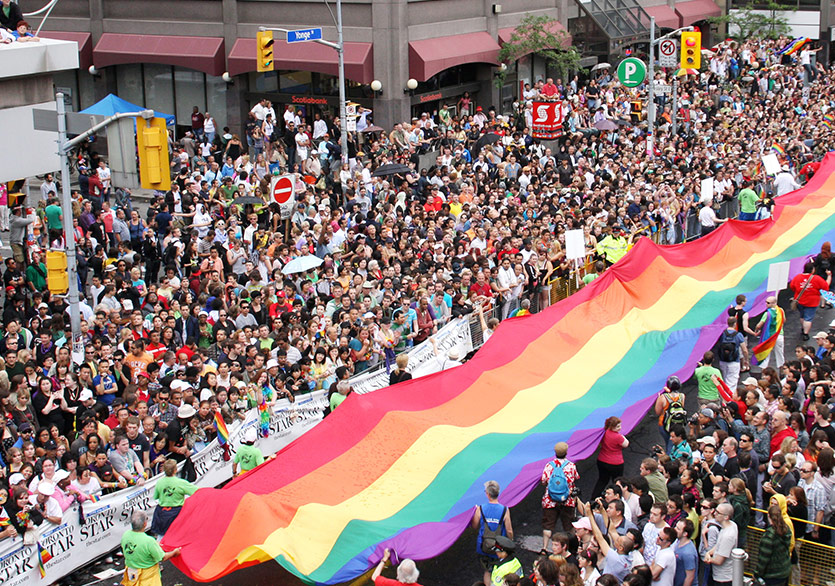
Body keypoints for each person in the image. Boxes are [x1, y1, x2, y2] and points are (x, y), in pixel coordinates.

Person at [121, 510, 181, 586]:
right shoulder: (149, 541)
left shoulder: (126, 535)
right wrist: (174, 552)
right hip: (148, 578)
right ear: (145, 524)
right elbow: (162, 557)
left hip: (132, 575)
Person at [471, 480, 514, 585]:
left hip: (484, 546)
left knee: (487, 571)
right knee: (499, 570)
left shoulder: (480, 509)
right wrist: (511, 542)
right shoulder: (504, 510)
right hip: (499, 547)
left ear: (487, 494)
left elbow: (474, 526)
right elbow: (509, 530)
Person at [540, 442, 579, 553]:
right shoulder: (571, 466)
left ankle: (544, 548)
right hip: (567, 500)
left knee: (548, 525)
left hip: (550, 500)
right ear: (566, 452)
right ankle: (570, 549)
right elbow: (575, 477)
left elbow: (543, 481)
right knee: (568, 525)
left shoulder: (549, 465)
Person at [150, 459, 199, 536]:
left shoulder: (159, 482)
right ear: (175, 470)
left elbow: (156, 496)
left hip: (162, 514)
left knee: (162, 537)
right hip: (177, 514)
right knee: (178, 536)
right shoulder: (181, 483)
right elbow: (197, 491)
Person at [788, 261, 830, 341]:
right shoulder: (816, 278)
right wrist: (829, 276)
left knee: (802, 316)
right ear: (812, 270)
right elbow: (825, 287)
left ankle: (803, 328)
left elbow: (792, 287)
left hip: (799, 300)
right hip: (812, 302)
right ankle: (805, 333)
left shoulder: (797, 277)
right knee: (808, 318)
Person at [755, 504, 792, 586]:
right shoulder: (787, 529)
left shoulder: (769, 536)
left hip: (772, 575)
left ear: (768, 516)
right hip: (784, 571)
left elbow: (763, 559)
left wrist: (757, 574)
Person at [593, 416, 629, 498]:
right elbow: (626, 444)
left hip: (602, 460)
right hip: (615, 463)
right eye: (618, 426)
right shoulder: (618, 437)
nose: (620, 428)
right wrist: (622, 436)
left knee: (602, 480)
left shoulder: (604, 433)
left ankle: (594, 497)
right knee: (617, 482)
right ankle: (616, 498)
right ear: (612, 427)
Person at [704, 503, 737, 586]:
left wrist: (709, 559)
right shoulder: (731, 525)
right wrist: (709, 553)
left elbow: (719, 561)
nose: (714, 513)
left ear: (726, 517)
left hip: (723, 579)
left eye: (718, 513)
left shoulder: (728, 536)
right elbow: (719, 544)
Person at [753, 296, 785, 369]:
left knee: (766, 353)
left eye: (768, 303)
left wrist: (756, 330)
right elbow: (784, 320)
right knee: (780, 353)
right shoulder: (781, 310)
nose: (766, 304)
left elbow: (759, 325)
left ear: (773, 303)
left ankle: (764, 369)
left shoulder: (767, 314)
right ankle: (782, 369)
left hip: (769, 336)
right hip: (779, 335)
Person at [672, 519, 697, 586]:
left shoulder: (688, 553)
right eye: (676, 526)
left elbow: (690, 577)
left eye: (678, 529)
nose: (674, 529)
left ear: (685, 534)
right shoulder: (678, 542)